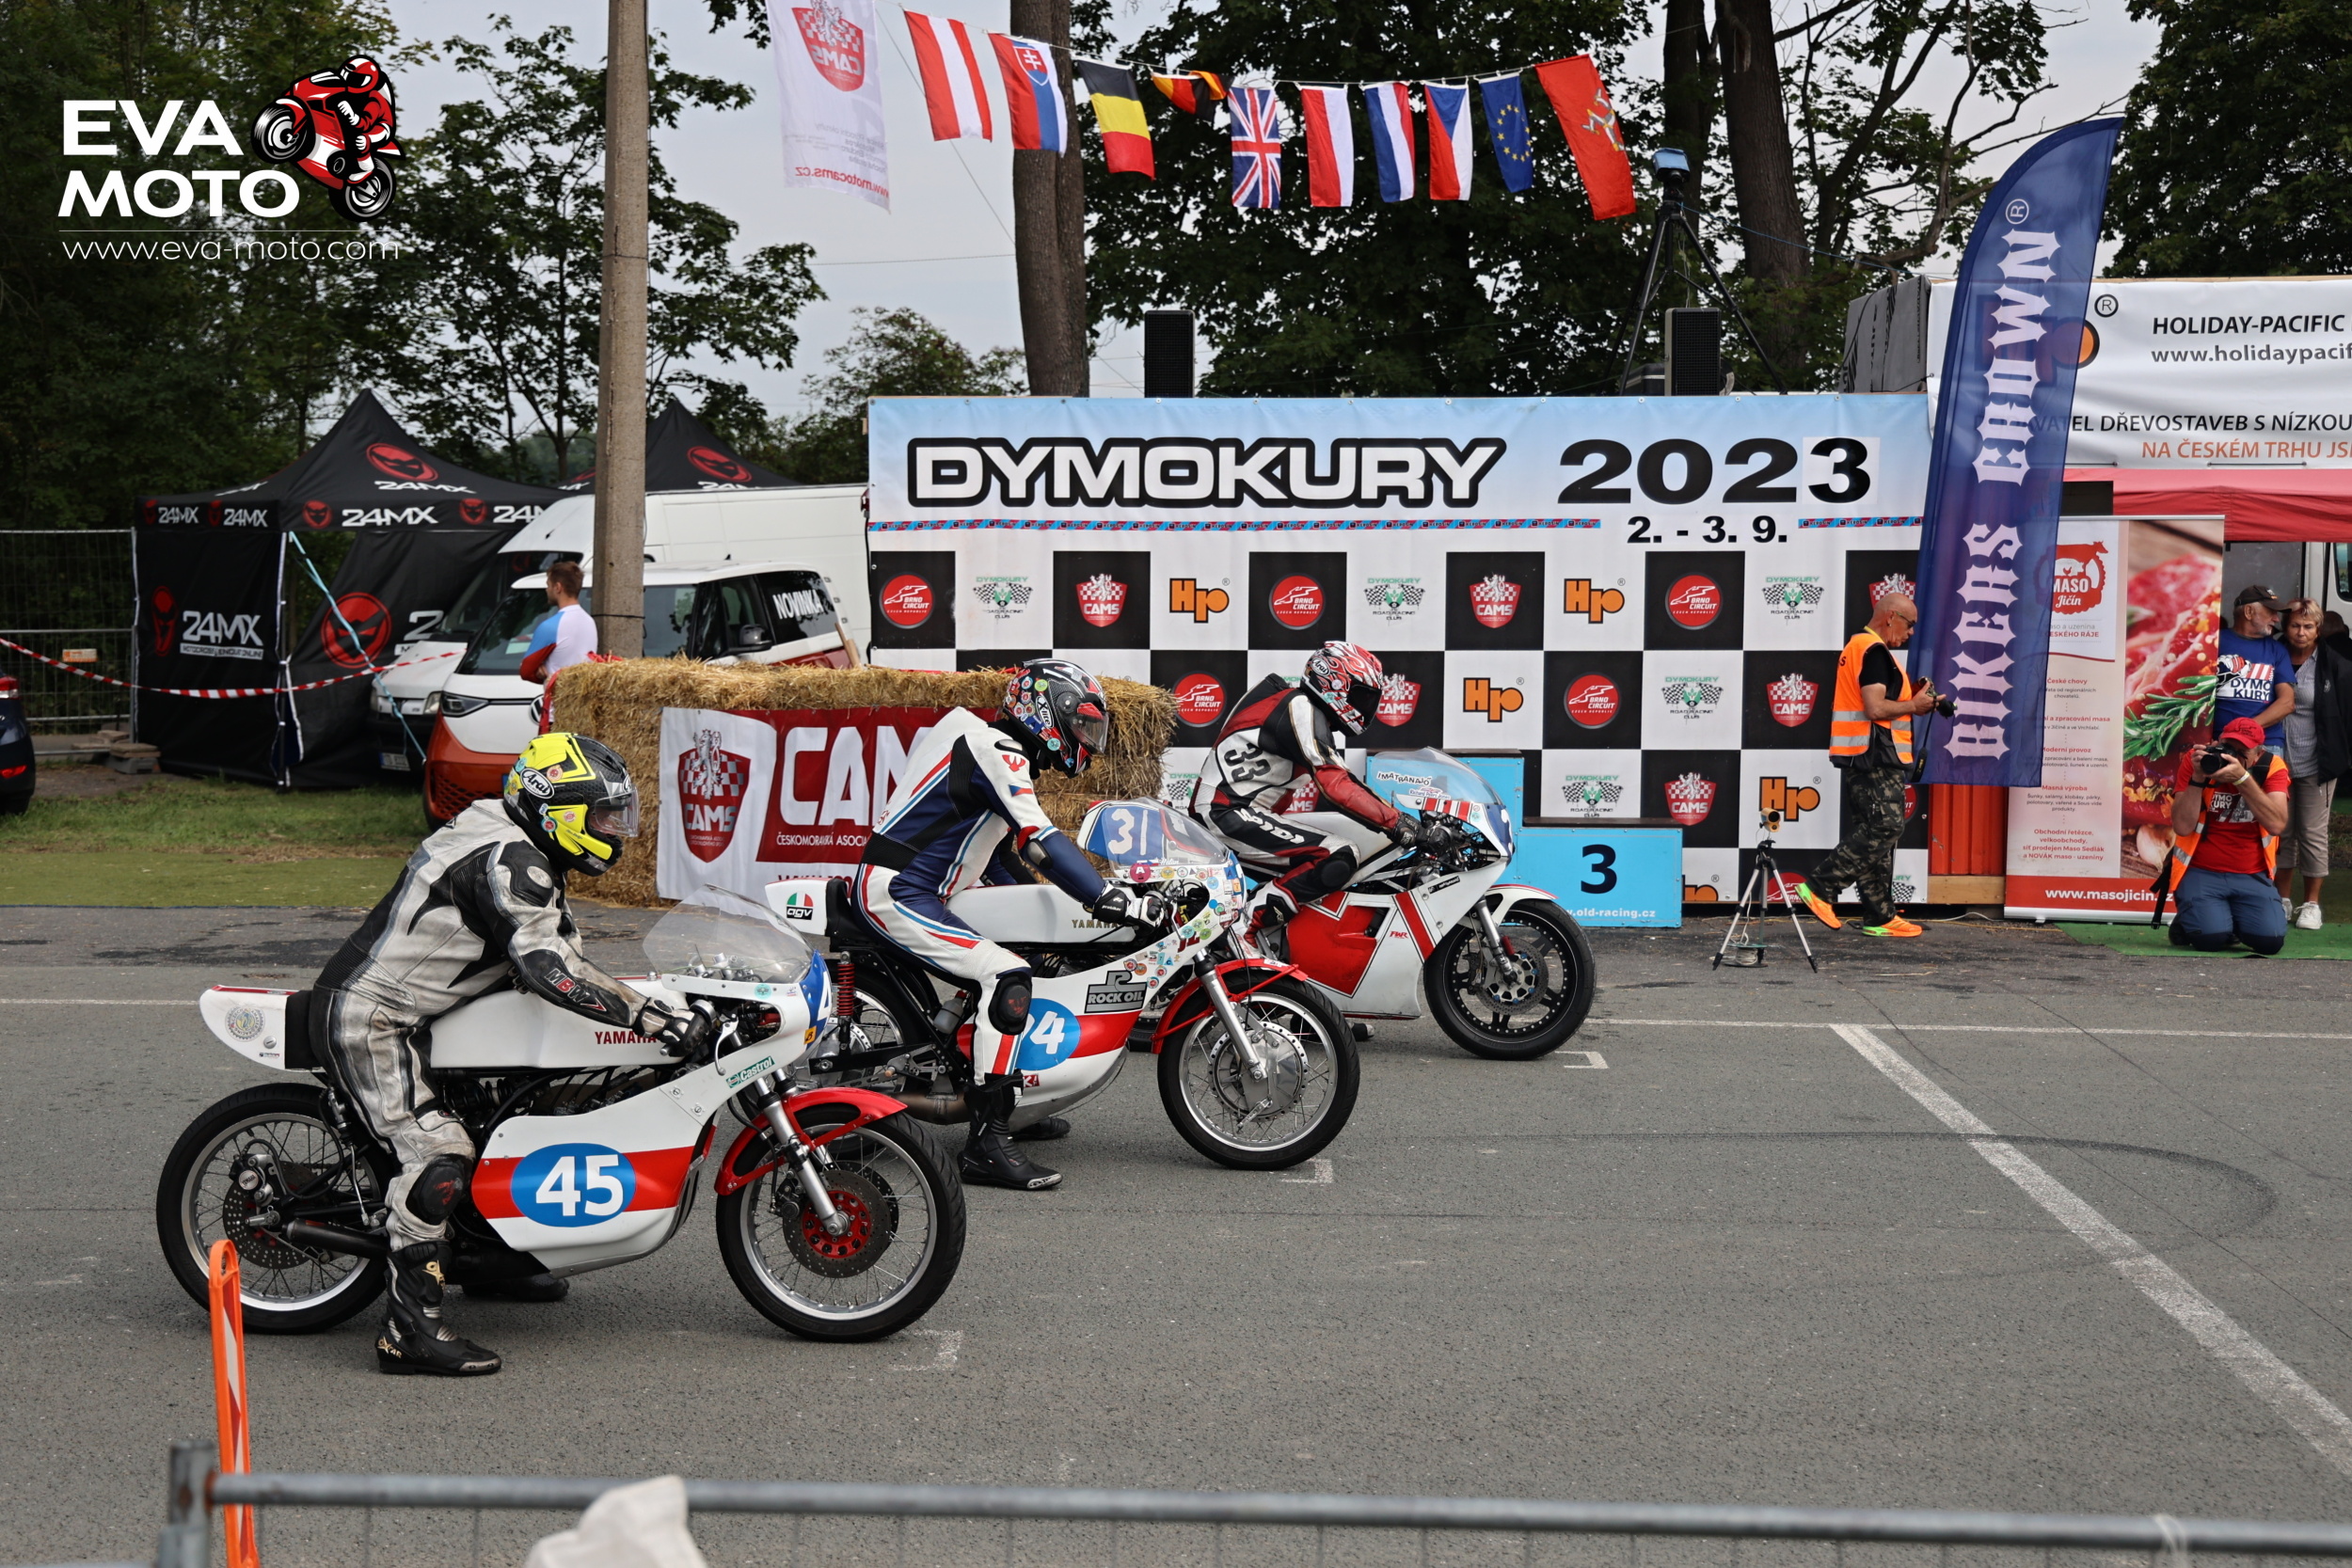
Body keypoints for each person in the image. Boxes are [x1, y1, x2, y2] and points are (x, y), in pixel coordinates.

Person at [310, 732, 700, 1376]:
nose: (613, 830)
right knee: (440, 1155)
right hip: (375, 1020)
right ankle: (408, 1331)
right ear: (558, 812)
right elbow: (551, 967)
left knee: (517, 1112)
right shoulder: (509, 859)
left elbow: (554, 948)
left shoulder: (521, 841)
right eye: (603, 816)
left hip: (430, 1015)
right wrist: (654, 1018)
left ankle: (493, 1261)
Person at [855, 658, 1168, 1193]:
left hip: (927, 891)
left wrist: (1056, 913)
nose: (1086, 739)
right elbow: (1038, 840)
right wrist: (1104, 897)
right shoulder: (997, 749)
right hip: (897, 892)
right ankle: (986, 1144)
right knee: (1007, 977)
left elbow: (999, 857)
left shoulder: (987, 744)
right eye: (1081, 724)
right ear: (1047, 713)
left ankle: (1012, 1107)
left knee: (1035, 958)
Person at [1190, 641, 1462, 960]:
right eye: (1360, 695)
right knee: (1338, 855)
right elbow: (1336, 785)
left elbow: (1341, 781)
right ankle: (1243, 926)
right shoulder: (1299, 706)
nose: (1365, 706)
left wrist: (1398, 821)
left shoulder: (1297, 706)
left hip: (1234, 811)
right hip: (1224, 813)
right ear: (1334, 682)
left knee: (1340, 852)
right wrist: (1400, 824)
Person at [1794, 592, 1943, 939]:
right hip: (1874, 754)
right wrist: (1913, 706)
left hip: (1863, 754)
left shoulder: (1863, 648)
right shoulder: (1874, 651)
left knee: (1876, 832)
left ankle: (1880, 916)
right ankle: (1820, 887)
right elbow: (1875, 709)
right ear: (1891, 617)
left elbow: (1880, 702)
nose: (1911, 633)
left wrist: (1914, 698)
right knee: (1886, 827)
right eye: (1909, 624)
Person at [2164, 717, 2292, 955]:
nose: (2232, 757)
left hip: (2252, 874)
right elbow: (2182, 827)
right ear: (2217, 742)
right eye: (2228, 747)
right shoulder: (2198, 760)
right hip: (2202, 870)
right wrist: (2198, 778)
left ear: (2258, 753)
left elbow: (2276, 824)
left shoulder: (2272, 766)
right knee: (2210, 939)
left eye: (2242, 752)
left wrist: (2243, 779)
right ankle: (2195, 921)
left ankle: (2230, 921)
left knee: (2270, 942)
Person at [2275, 599, 2352, 928]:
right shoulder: (2273, 654)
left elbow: (2346, 715)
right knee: (2281, 831)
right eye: (2295, 625)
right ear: (2285, 627)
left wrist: (2340, 756)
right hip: (2276, 762)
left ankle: (2312, 904)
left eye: (2308, 626)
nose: (2301, 632)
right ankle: (2281, 899)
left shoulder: (2335, 665)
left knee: (2312, 833)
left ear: (2318, 630)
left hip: (2315, 763)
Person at [2215, 584, 2296, 751]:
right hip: (2217, 742)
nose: (2276, 619)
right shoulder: (2215, 642)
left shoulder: (2277, 650)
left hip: (2265, 744)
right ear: (2249, 612)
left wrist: (2243, 730)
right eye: (2271, 612)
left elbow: (2287, 703)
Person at [518, 561, 596, 687]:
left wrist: (542, 673)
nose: (547, 590)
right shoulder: (590, 622)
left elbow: (526, 671)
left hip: (557, 697)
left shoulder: (550, 626)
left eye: (548, 585)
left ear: (558, 588)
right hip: (583, 696)